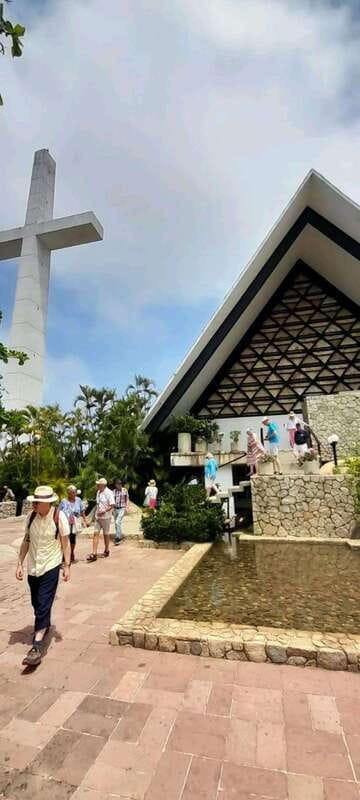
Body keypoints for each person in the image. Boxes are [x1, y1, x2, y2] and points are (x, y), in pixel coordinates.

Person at [15, 485, 70, 667]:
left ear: (47, 504)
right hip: (33, 568)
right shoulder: (31, 518)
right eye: (35, 502)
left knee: (44, 603)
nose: (35, 505)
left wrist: (66, 566)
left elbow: (65, 543)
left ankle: (36, 647)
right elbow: (26, 540)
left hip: (51, 566)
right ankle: (44, 625)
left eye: (38, 502)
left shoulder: (58, 516)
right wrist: (19, 563)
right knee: (37, 603)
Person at [87, 478, 115, 562]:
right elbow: (98, 504)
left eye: (98, 484)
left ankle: (106, 550)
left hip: (106, 517)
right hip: (98, 517)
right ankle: (94, 553)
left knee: (106, 534)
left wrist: (104, 511)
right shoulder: (98, 492)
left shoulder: (109, 493)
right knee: (96, 533)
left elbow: (112, 505)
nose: (97, 485)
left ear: (102, 485)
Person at [59, 484, 87, 563]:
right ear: (68, 493)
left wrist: (85, 520)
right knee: (65, 539)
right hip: (65, 522)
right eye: (71, 492)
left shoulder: (78, 500)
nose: (73, 494)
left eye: (74, 492)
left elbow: (82, 511)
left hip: (75, 523)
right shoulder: (64, 501)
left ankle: (71, 553)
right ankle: (64, 555)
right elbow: (59, 511)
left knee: (72, 538)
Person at [113, 478, 129, 545]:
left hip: (122, 508)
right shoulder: (113, 491)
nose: (119, 485)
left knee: (117, 522)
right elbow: (112, 500)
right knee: (117, 524)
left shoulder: (124, 490)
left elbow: (127, 498)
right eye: (117, 484)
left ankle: (118, 538)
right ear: (115, 485)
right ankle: (118, 536)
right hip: (115, 509)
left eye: (120, 484)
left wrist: (126, 506)